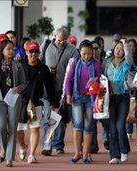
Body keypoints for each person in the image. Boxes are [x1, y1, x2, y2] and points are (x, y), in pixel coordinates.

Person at [39, 27, 79, 156]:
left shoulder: (72, 50)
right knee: (47, 118)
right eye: (59, 40)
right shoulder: (45, 46)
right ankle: (47, 145)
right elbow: (39, 64)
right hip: (48, 88)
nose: (61, 43)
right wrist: (47, 71)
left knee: (60, 118)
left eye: (64, 41)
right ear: (55, 36)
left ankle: (58, 145)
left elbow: (75, 70)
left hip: (63, 89)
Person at [0, 39, 27, 167]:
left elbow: (24, 83)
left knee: (12, 128)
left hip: (14, 100)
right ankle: (3, 148)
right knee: (0, 127)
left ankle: (9, 158)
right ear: (2, 51)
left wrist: (18, 88)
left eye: (12, 49)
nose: (11, 51)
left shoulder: (18, 65)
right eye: (8, 49)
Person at [16, 41, 56, 164]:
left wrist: (53, 102)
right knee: (19, 129)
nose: (33, 54)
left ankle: (32, 155)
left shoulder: (43, 69)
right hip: (20, 102)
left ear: (39, 53)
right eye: (31, 52)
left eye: (36, 52)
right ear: (26, 53)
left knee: (35, 128)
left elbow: (50, 86)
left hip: (36, 102)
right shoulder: (19, 65)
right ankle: (22, 146)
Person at [64, 40, 102, 164]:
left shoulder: (96, 64)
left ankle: (86, 153)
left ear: (93, 52)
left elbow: (101, 81)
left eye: (89, 54)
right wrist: (68, 95)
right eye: (84, 53)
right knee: (77, 125)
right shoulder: (75, 62)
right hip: (77, 97)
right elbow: (69, 80)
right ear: (79, 52)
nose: (86, 56)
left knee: (88, 125)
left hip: (91, 98)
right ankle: (77, 153)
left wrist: (96, 82)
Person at [103, 38, 133, 164]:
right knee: (112, 127)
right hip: (110, 98)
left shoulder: (127, 62)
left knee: (120, 125)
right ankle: (114, 155)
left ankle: (124, 150)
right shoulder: (107, 62)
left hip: (123, 97)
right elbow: (102, 78)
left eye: (121, 49)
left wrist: (125, 43)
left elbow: (129, 56)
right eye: (117, 48)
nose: (118, 51)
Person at [126, 38, 137, 139]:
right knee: (129, 110)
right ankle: (128, 131)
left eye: (133, 46)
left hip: (136, 87)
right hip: (127, 87)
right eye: (129, 46)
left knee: (136, 110)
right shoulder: (124, 59)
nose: (132, 48)